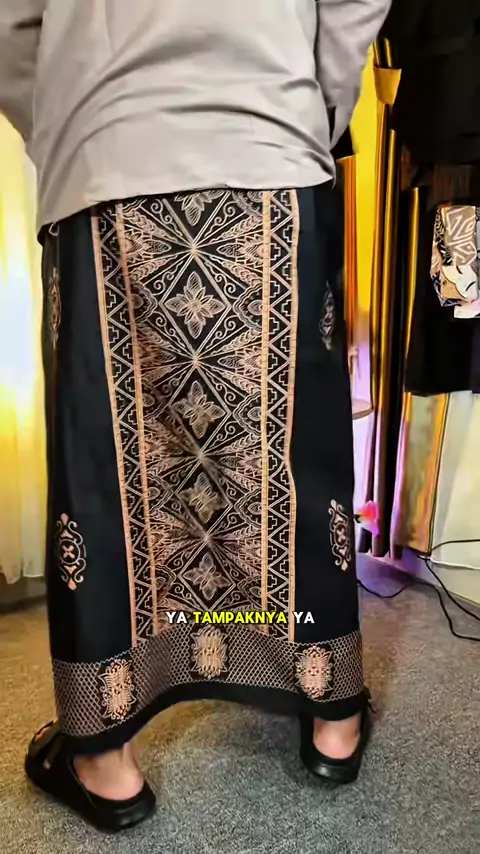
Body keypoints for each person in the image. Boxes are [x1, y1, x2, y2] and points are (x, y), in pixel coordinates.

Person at [0, 0, 391, 834]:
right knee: (298, 456)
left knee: (103, 467)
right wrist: (305, 110)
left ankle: (104, 758)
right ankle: (333, 714)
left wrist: (73, 118)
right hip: (273, 142)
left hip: (104, 147)